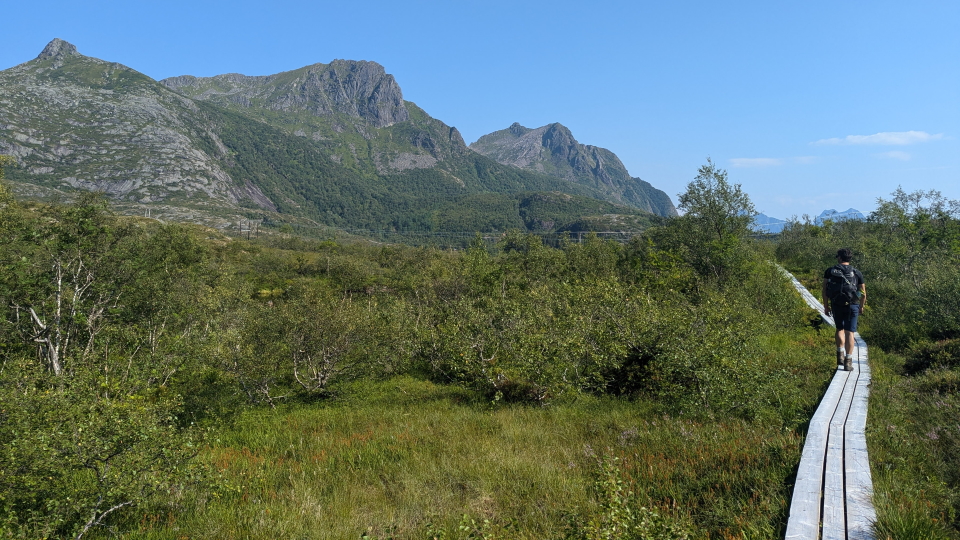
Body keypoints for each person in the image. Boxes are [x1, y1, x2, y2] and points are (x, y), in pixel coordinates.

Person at [822, 248, 867, 371]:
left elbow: (825, 290)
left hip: (836, 303)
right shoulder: (856, 272)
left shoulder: (830, 271)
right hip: (852, 305)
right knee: (850, 332)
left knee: (839, 329)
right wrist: (861, 306)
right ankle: (848, 362)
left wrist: (826, 306)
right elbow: (863, 293)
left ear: (840, 257)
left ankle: (840, 355)